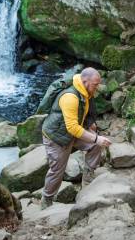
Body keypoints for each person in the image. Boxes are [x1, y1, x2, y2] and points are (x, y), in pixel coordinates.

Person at [40, 67, 112, 209]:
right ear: (85, 81)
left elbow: (86, 111)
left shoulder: (85, 90)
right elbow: (72, 127)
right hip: (57, 137)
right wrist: (96, 138)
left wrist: (90, 125)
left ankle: (88, 177)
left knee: (95, 145)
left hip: (73, 130)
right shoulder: (70, 97)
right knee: (57, 171)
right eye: (95, 85)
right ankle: (46, 200)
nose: (97, 88)